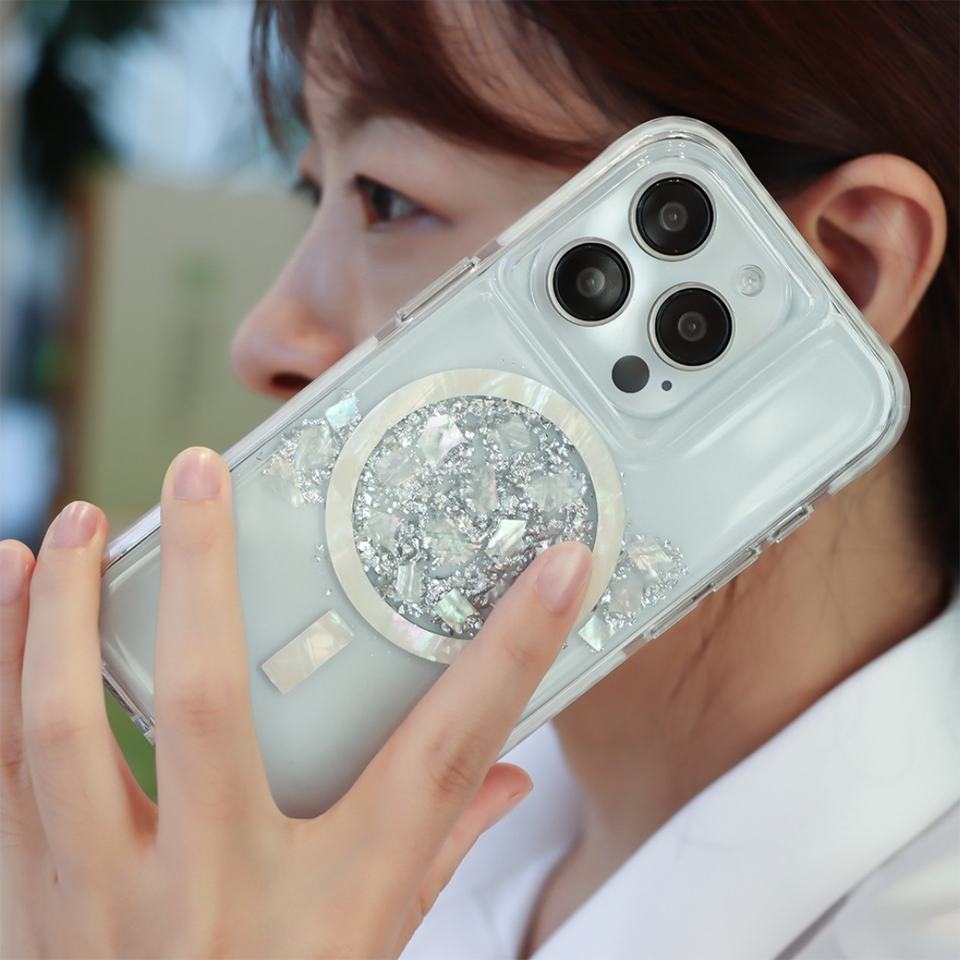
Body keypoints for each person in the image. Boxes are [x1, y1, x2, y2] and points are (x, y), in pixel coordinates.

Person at [1, 2, 956, 957]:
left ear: (838, 272)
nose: (263, 338)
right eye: (314, 192)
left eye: (387, 199)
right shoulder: (392, 842)